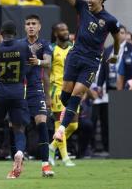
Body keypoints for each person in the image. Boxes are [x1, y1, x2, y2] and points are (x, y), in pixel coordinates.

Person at [53, 0, 122, 142]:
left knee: (76, 95)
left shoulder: (110, 20)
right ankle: (72, 113)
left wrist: (115, 54)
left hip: (91, 61)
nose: (89, 0)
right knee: (65, 96)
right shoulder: (82, 7)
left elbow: (116, 39)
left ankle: (61, 129)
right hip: (74, 56)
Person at [0, 20, 32, 179]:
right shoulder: (23, 46)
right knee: (19, 127)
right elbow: (31, 61)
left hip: (0, 91)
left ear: (1, 34)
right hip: (17, 90)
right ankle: (18, 152)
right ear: (16, 34)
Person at [21, 14, 54, 177]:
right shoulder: (19, 44)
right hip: (19, 90)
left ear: (39, 26)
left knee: (42, 123)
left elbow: (48, 62)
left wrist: (38, 62)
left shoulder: (44, 44)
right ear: (24, 27)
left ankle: (45, 165)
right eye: (28, 24)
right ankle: (17, 161)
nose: (31, 26)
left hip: (36, 90)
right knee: (18, 126)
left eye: (34, 23)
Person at [48, 22, 77, 167]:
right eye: (62, 30)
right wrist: (47, 94)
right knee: (60, 124)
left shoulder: (73, 48)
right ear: (55, 33)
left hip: (72, 90)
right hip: (57, 89)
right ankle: (65, 158)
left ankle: (52, 147)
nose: (66, 31)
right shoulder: (51, 49)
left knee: (73, 126)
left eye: (66, 29)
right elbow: (46, 73)